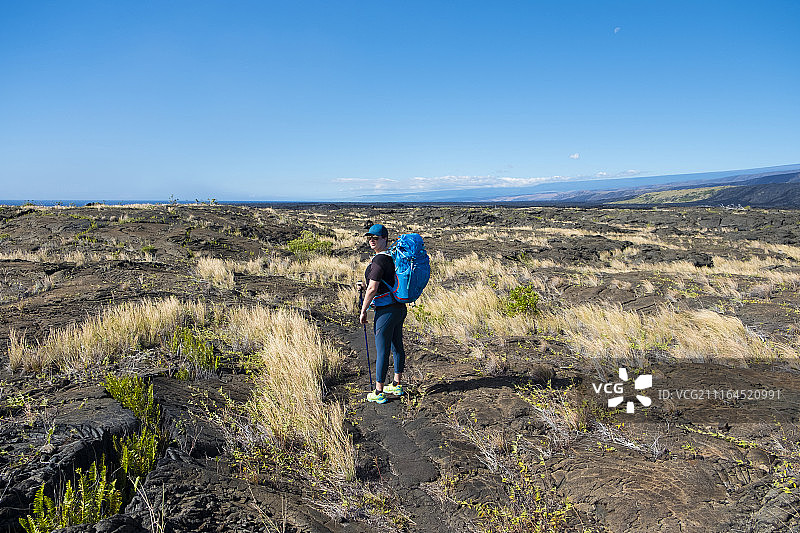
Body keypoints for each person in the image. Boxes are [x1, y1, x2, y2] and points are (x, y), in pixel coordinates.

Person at [358, 223, 406, 404]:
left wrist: (363, 310)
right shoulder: (391, 258)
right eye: (370, 237)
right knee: (396, 345)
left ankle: (379, 392)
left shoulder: (378, 260)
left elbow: (373, 288)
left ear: (385, 239)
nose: (371, 240)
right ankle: (396, 384)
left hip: (385, 311)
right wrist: (366, 286)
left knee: (383, 350)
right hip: (399, 308)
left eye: (376, 238)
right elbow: (383, 283)